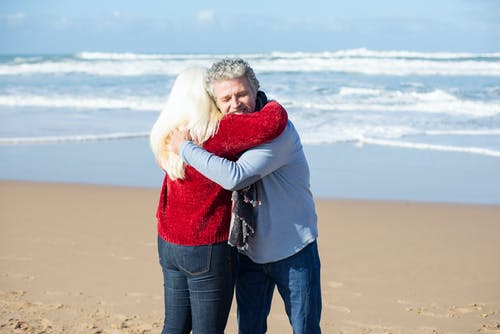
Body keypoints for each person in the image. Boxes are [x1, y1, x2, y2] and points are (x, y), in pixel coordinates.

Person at [170, 58, 322, 334]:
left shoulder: (277, 132)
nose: (235, 104)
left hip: (293, 250)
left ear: (255, 90)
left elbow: (235, 176)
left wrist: (185, 148)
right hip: (249, 251)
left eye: (241, 94)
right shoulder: (232, 133)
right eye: (225, 98)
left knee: (306, 329)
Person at [150, 66, 288, 334]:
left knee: (174, 326)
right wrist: (270, 101)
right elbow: (273, 121)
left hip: (168, 242)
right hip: (206, 246)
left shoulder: (168, 133)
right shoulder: (216, 133)